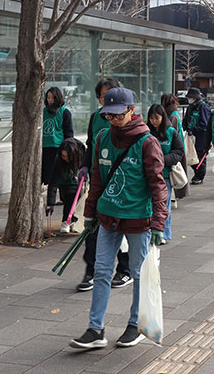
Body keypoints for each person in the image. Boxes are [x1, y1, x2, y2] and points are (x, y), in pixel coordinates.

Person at [70, 87, 168, 350]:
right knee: (101, 270)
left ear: (131, 111)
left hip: (138, 219)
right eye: (108, 116)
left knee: (137, 273)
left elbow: (158, 186)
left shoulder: (147, 143)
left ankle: (135, 325)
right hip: (108, 218)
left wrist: (159, 224)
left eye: (117, 115)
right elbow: (97, 179)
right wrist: (89, 214)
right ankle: (95, 328)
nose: (112, 120)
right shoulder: (102, 138)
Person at [78, 77, 132, 293]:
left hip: (121, 185)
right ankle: (90, 271)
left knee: (121, 229)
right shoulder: (95, 118)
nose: (106, 100)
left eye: (110, 95)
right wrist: (84, 165)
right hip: (99, 182)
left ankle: (125, 269)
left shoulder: (128, 120)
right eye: (102, 96)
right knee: (92, 227)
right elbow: (91, 145)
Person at [147, 103, 184, 241]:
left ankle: (163, 233)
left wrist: (163, 160)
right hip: (149, 175)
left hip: (165, 176)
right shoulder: (146, 132)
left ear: (163, 117)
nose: (154, 121)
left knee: (164, 205)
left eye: (157, 118)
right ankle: (150, 232)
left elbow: (179, 151)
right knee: (150, 205)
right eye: (151, 118)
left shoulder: (170, 132)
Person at [48, 138, 85, 234]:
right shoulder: (59, 160)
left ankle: (70, 221)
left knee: (76, 200)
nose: (66, 159)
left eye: (68, 156)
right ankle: (68, 220)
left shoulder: (82, 156)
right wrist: (50, 203)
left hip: (80, 183)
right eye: (63, 156)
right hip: (65, 184)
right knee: (69, 198)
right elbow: (53, 181)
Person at [42, 87, 74, 186]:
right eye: (48, 97)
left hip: (58, 148)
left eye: (53, 98)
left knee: (58, 175)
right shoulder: (42, 111)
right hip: (44, 147)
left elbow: (69, 133)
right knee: (46, 175)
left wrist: (67, 149)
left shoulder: (64, 112)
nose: (50, 100)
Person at [161, 93, 188, 201]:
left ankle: (174, 196)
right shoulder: (174, 114)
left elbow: (171, 134)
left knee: (174, 172)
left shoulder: (172, 116)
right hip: (179, 147)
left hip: (174, 149)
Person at [184, 88, 211, 185]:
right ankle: (196, 173)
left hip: (201, 136)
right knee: (190, 155)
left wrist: (194, 129)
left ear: (194, 98)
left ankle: (199, 176)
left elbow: (204, 124)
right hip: (190, 135)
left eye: (190, 98)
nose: (189, 99)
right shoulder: (190, 107)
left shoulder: (203, 107)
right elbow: (186, 119)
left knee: (200, 155)